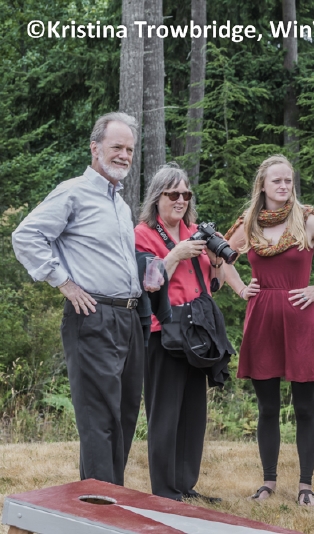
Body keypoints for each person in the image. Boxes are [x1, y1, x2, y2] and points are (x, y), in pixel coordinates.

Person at [12, 112, 143, 486]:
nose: (124, 155)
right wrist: (64, 283)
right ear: (95, 148)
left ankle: (108, 497)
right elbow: (26, 236)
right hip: (92, 315)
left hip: (128, 318)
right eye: (116, 147)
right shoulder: (73, 192)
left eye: (129, 149)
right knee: (98, 417)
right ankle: (101, 507)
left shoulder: (120, 204)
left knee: (125, 413)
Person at [223, 155, 314, 506]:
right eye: (277, 181)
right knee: (267, 408)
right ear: (263, 186)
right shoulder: (249, 224)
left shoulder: (307, 220)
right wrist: (241, 288)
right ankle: (268, 482)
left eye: (288, 180)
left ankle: (305, 486)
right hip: (261, 317)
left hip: (300, 317)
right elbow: (219, 258)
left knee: (305, 407)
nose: (284, 186)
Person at [134, 163, 229, 502]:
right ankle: (165, 489)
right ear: (156, 197)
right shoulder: (144, 234)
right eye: (173, 193)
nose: (180, 200)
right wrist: (175, 254)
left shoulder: (195, 231)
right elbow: (148, 283)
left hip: (195, 332)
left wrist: (217, 259)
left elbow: (213, 286)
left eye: (186, 194)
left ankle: (185, 485)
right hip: (162, 332)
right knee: (165, 413)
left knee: (192, 413)